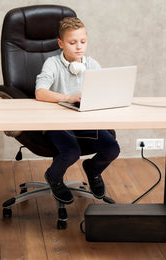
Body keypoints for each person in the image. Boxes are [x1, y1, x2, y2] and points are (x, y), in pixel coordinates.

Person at [35, 17, 120, 204]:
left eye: (83, 42)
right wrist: (68, 98)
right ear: (61, 43)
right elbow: (40, 93)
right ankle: (54, 176)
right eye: (72, 43)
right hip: (58, 124)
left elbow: (104, 91)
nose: (79, 47)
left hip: (85, 122)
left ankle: (93, 169)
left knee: (112, 148)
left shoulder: (92, 64)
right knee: (71, 152)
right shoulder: (52, 64)